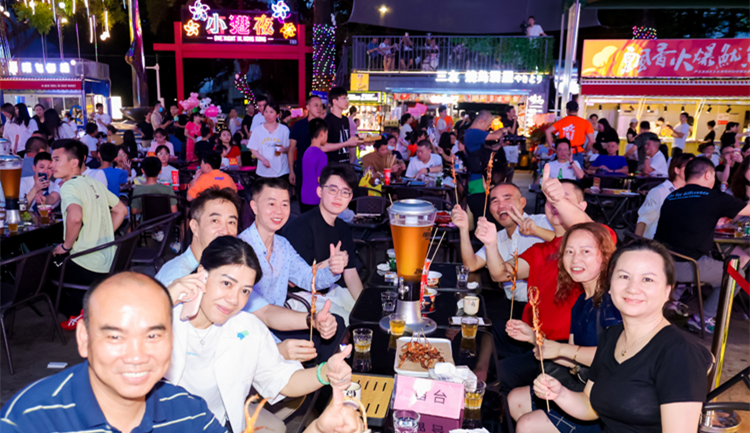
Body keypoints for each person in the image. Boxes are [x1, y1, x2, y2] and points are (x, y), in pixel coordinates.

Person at [164, 236, 354, 432]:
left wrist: (325, 372)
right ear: (202, 273)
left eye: (245, 291)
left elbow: (283, 380)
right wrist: (164, 300)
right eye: (227, 283)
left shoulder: (246, 328)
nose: (234, 299)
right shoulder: (164, 317)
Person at [0, 272, 230, 433]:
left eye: (152, 336)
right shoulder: (29, 421)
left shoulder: (190, 414)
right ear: (84, 338)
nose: (136, 356)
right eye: (115, 337)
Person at [531, 239, 712, 433]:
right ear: (610, 285)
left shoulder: (679, 354)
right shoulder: (612, 336)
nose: (632, 288)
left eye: (647, 279)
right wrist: (559, 394)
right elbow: (590, 406)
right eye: (624, 276)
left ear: (667, 290)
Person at [156, 187, 339, 362]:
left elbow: (264, 311)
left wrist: (313, 320)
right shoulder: (180, 278)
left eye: (231, 222)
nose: (225, 230)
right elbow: (201, 350)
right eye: (215, 221)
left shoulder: (228, 267)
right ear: (195, 227)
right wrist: (275, 352)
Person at [508, 223, 621, 433]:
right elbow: (572, 361)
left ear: (605, 257)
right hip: (580, 382)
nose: (575, 259)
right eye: (569, 251)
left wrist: (560, 349)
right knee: (515, 399)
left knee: (527, 425)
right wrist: (534, 338)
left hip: (606, 398)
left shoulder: (613, 303)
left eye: (585, 251)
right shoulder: (581, 302)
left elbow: (614, 357)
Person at [238, 178, 348, 358]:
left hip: (278, 321)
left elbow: (308, 278)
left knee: (336, 325)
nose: (279, 211)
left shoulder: (282, 245)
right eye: (271, 204)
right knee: (317, 339)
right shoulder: (240, 248)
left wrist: (332, 269)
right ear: (254, 207)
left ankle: (320, 373)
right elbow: (261, 311)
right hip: (248, 330)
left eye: (284, 204)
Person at [655, 157, 750, 333]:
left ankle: (673, 302)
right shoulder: (712, 197)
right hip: (687, 264)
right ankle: (702, 319)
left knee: (714, 261)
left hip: (660, 260)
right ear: (707, 175)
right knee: (737, 274)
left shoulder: (673, 196)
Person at [49, 139, 128, 315]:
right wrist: (102, 235)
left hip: (87, 265)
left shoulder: (69, 186)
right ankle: (86, 307)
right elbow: (121, 210)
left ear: (74, 163)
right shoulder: (93, 182)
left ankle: (77, 314)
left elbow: (75, 217)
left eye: (56, 160)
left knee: (41, 271)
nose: (51, 165)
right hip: (109, 261)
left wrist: (66, 246)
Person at [452, 183, 553, 318]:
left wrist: (537, 231)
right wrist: (463, 229)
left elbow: (566, 240)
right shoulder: (498, 237)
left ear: (522, 202)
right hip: (513, 306)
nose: (501, 205)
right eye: (495, 201)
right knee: (467, 314)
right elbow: (471, 264)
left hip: (544, 307)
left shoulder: (542, 222)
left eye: (507, 198)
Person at [283, 164, 364, 302]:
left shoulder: (344, 228)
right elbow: (292, 282)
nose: (339, 197)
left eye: (345, 192)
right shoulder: (300, 227)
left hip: (330, 292)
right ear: (320, 191)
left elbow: (350, 273)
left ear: (350, 197)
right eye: (333, 190)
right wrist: (331, 263)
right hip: (301, 299)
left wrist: (362, 305)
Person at [635, 153, 693, 240]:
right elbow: (643, 220)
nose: (693, 170)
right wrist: (637, 243)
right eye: (688, 167)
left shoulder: (691, 192)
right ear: (677, 170)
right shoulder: (659, 191)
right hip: (657, 241)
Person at [464, 110, 509, 223]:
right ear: (481, 121)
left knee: (484, 212)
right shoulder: (473, 133)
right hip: (477, 180)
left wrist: (500, 145)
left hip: (479, 178)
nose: (488, 128)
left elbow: (490, 150)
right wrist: (503, 130)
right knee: (481, 212)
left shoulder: (472, 135)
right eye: (488, 125)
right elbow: (495, 136)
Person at [289, 95, 326, 188]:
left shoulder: (325, 126)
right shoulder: (298, 126)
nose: (319, 108)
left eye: (321, 106)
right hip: (302, 170)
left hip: (321, 170)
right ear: (308, 107)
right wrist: (291, 171)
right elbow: (291, 149)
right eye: (316, 105)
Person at [249, 103, 291, 181]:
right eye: (266, 111)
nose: (268, 114)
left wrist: (284, 149)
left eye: (271, 112)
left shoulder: (284, 129)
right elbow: (253, 149)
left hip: (281, 172)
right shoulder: (257, 130)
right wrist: (262, 159)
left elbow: (290, 147)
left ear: (278, 114)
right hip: (263, 172)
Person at [545, 101, 595, 166]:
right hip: (577, 152)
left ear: (567, 110)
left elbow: (547, 131)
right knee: (577, 171)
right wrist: (585, 151)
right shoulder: (585, 123)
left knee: (561, 171)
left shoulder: (561, 122)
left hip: (562, 153)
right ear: (577, 110)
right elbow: (592, 141)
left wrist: (551, 145)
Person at [300, 118, 329, 213]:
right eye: (327, 134)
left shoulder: (307, 151)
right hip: (316, 198)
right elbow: (320, 179)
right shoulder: (322, 155)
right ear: (321, 134)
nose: (327, 137)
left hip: (304, 196)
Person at [324, 87, 360, 164]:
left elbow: (348, 141)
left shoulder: (345, 120)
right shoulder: (327, 121)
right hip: (333, 165)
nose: (346, 101)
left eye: (346, 98)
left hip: (345, 164)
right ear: (334, 101)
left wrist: (362, 142)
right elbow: (323, 147)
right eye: (343, 98)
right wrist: (346, 143)